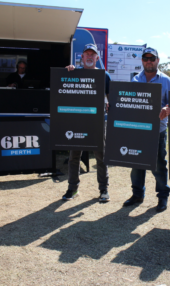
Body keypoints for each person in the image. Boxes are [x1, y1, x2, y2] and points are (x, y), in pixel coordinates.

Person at [123, 47, 170, 212]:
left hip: (158, 131)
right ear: (142, 61)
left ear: (158, 60)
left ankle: (162, 197)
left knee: (159, 165)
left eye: (152, 58)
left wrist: (168, 109)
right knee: (136, 163)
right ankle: (137, 194)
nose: (149, 61)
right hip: (138, 130)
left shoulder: (166, 80)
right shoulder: (135, 80)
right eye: (145, 58)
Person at [63, 43, 111, 202]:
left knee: (101, 157)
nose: (90, 57)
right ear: (82, 57)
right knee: (74, 157)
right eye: (87, 54)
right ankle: (72, 189)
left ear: (97, 58)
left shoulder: (105, 75)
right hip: (77, 121)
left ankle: (104, 189)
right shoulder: (73, 73)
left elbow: (111, 99)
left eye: (93, 54)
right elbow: (63, 89)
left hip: (96, 123)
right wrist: (68, 72)